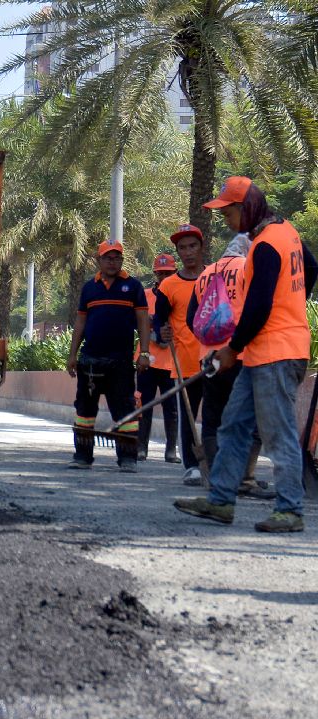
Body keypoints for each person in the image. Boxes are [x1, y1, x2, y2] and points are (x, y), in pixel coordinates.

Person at [175, 176, 318, 533]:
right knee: (234, 426)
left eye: (229, 212)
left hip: (276, 352)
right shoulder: (287, 232)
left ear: (247, 208)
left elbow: (258, 306)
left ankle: (290, 509)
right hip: (262, 352)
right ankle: (221, 500)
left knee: (278, 431)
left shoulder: (267, 244)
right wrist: (294, 305)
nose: (226, 220)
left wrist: (232, 348)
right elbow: (312, 269)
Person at [187, 233, 271, 499]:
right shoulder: (248, 268)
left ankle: (215, 475)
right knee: (251, 420)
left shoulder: (206, 274)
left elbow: (192, 318)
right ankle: (245, 479)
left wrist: (208, 343)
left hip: (210, 359)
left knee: (212, 419)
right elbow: (259, 308)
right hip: (241, 355)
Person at [67, 240, 151, 473]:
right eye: (107, 258)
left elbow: (143, 321)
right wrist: (72, 355)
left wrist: (144, 352)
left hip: (121, 363)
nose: (112, 262)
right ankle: (82, 456)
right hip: (90, 362)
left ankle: (127, 458)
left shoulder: (133, 287)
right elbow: (81, 322)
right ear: (99, 260)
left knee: (125, 411)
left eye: (116, 258)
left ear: (122, 260)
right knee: (84, 410)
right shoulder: (88, 288)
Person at [153, 224, 208, 485]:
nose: (188, 252)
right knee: (187, 415)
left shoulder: (214, 277)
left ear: (202, 247)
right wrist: (161, 331)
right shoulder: (168, 286)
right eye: (182, 248)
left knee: (214, 416)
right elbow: (159, 321)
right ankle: (192, 466)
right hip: (184, 360)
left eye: (192, 246)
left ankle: (214, 463)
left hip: (214, 360)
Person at [136, 253, 179, 463]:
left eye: (168, 273)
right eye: (160, 273)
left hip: (171, 361)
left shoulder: (178, 292)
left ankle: (171, 450)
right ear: (155, 274)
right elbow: (137, 320)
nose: (163, 277)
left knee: (171, 408)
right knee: (144, 405)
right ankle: (141, 447)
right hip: (147, 359)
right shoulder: (145, 296)